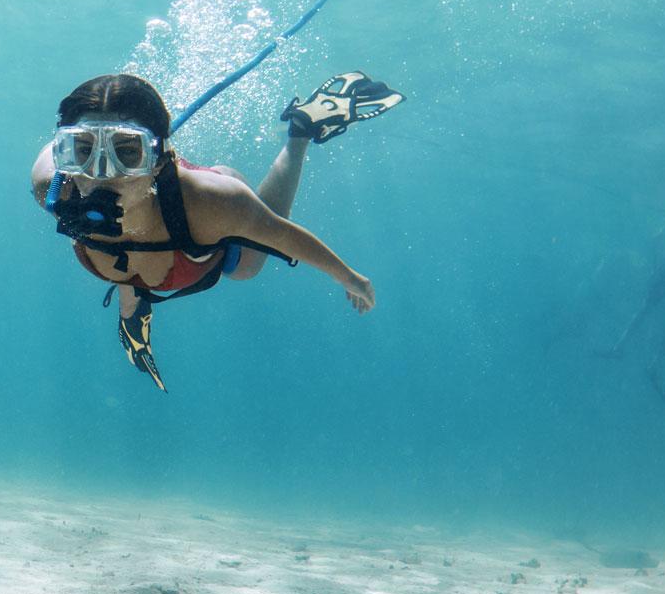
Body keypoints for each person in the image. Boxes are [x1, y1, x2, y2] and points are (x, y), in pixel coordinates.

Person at [30, 71, 402, 389]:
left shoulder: (212, 204)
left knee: (247, 266)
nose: (101, 172)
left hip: (202, 220)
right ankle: (133, 312)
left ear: (157, 158)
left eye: (127, 152)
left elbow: (282, 234)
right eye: (82, 150)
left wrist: (350, 278)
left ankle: (301, 131)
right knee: (125, 268)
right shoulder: (55, 188)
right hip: (139, 263)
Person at [599, 221, 665, 410]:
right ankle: (628, 352)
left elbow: (657, 240)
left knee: (663, 321)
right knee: (652, 314)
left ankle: (644, 360)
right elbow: (657, 238)